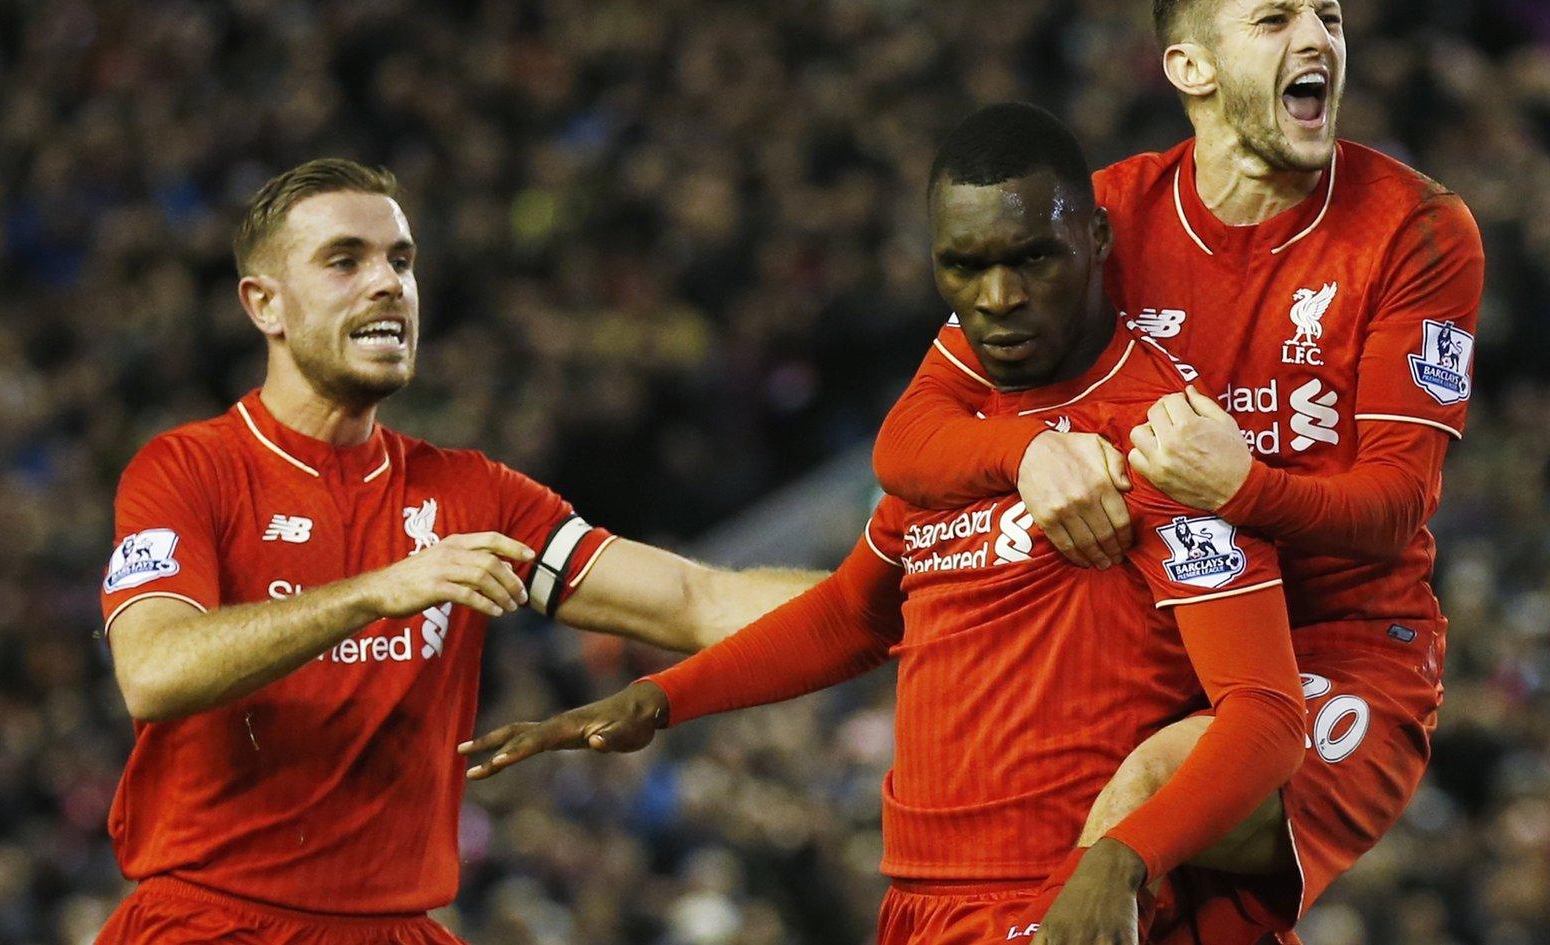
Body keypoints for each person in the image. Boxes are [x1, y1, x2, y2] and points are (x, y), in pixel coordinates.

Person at [459, 102, 1308, 945]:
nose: (999, 298)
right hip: (917, 905)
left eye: (1031, 258)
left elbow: (1266, 714)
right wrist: (660, 698)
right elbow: (852, 614)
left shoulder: (1164, 439)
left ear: (1095, 238)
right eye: (965, 268)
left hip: (1058, 897)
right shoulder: (952, 439)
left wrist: (1121, 862)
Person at [870, 2, 1484, 942]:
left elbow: (1397, 508)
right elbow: (909, 439)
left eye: (1327, 13)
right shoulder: (1100, 216)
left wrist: (1241, 489)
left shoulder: (1417, 229)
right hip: (1162, 644)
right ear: (1190, 67)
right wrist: (1025, 449)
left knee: (1143, 806)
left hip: (1338, 648)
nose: (1316, 38)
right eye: (1275, 18)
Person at [93, 158, 820, 945]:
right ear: (263, 303)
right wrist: (375, 592)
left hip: (396, 928)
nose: (388, 284)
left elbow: (699, 601)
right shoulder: (189, 470)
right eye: (345, 260)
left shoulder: (472, 494)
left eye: (400, 261)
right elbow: (154, 670)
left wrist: (926, 581)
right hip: (210, 925)